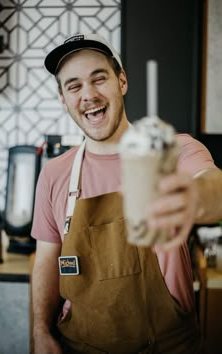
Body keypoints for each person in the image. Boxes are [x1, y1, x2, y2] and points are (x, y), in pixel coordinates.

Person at [31, 33, 222, 354]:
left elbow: (214, 186)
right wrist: (39, 330)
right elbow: (46, 261)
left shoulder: (175, 150)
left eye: (99, 79)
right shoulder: (54, 173)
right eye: (74, 86)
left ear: (122, 81)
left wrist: (194, 196)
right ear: (64, 100)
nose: (89, 95)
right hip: (78, 346)